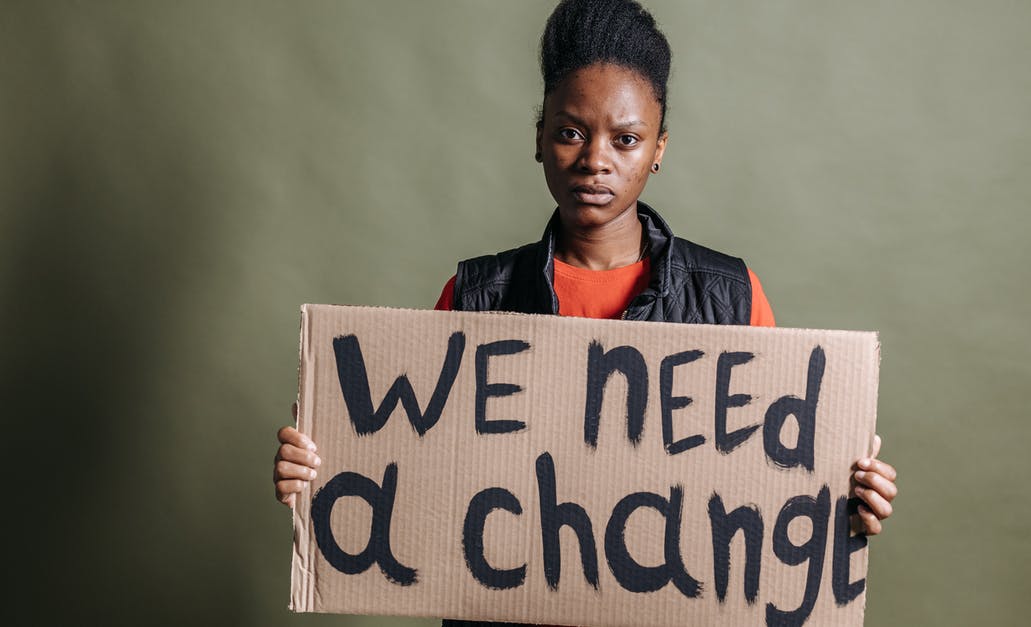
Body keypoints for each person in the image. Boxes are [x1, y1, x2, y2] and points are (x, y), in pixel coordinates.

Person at [273, 1, 898, 625]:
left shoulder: (731, 299)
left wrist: (844, 500)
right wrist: (321, 475)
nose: (596, 159)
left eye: (625, 139)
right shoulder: (474, 298)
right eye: (571, 132)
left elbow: (766, 492)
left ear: (658, 148)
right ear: (539, 139)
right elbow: (418, 480)